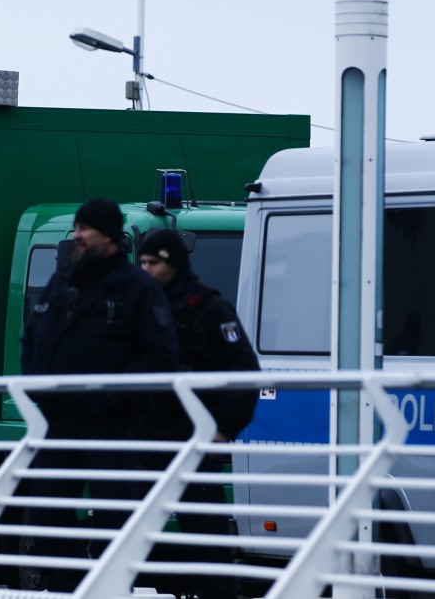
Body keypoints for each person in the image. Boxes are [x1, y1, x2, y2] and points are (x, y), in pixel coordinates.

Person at [19, 198, 179, 592]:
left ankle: (109, 589)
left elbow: (161, 357)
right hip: (60, 422)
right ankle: (68, 589)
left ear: (107, 235)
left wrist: (111, 393)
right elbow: (31, 338)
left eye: (83, 229)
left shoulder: (138, 288)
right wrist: (37, 382)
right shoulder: (61, 282)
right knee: (44, 516)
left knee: (117, 520)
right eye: (75, 228)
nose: (76, 235)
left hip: (116, 426)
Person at [138, 227, 259, 599]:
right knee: (124, 543)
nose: (146, 270)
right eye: (142, 262)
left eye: (154, 263)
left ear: (173, 263)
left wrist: (223, 430)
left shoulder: (210, 308)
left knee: (208, 550)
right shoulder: (139, 307)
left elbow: (244, 374)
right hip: (144, 445)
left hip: (194, 446)